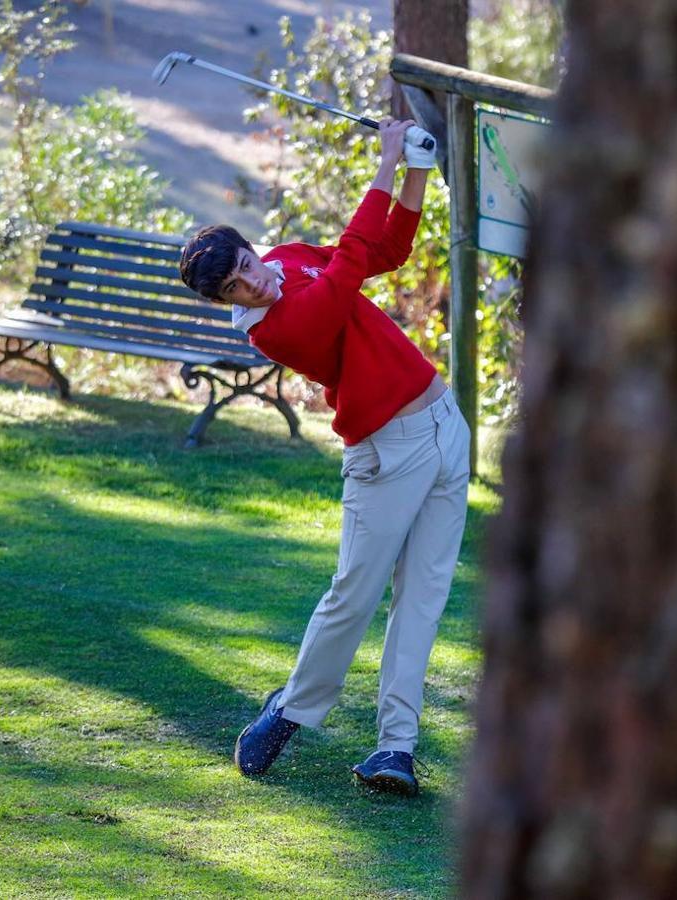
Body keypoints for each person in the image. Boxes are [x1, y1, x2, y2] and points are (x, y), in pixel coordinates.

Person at [178, 118, 468, 796]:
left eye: (248, 266)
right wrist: (384, 163)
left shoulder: (283, 261)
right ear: (226, 304)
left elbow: (382, 251)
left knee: (421, 600)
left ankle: (395, 748)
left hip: (442, 423)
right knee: (354, 595)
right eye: (236, 290)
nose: (254, 284)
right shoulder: (278, 329)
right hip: (385, 451)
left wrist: (417, 169)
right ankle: (291, 709)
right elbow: (345, 271)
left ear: (252, 248)